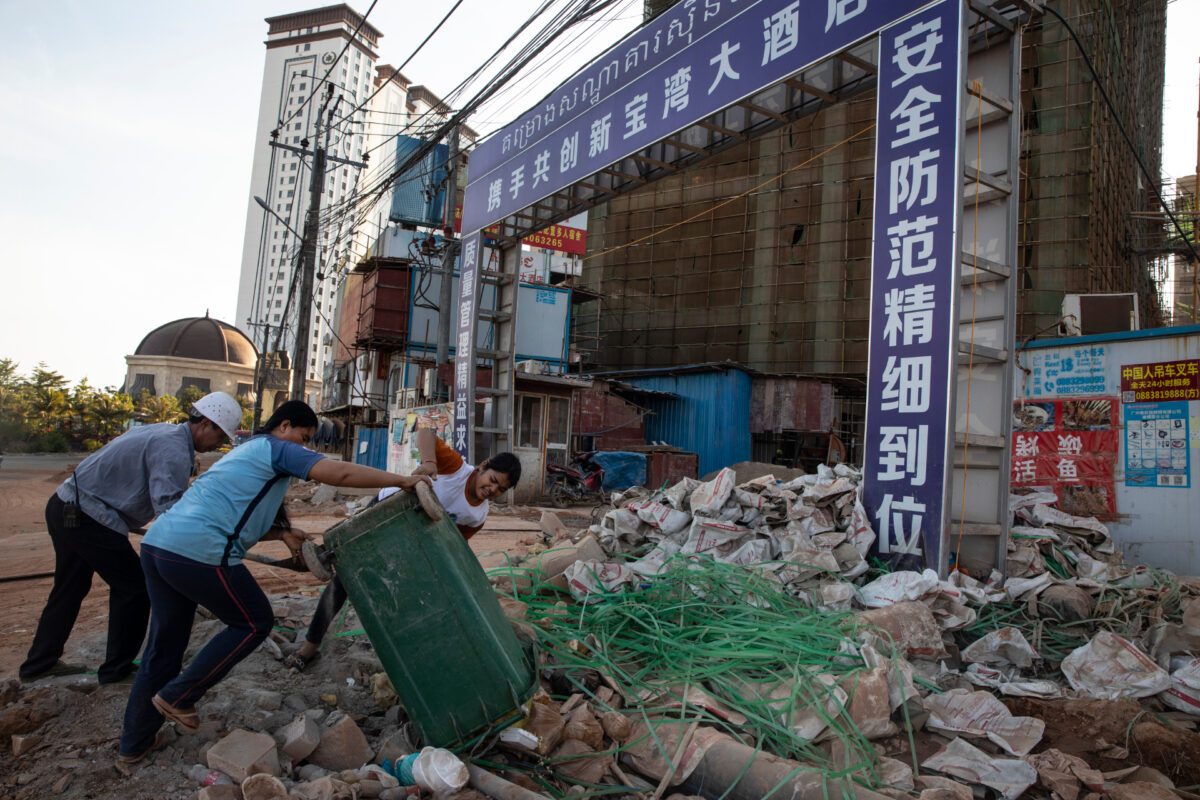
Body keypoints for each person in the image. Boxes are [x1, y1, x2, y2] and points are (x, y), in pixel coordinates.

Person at [117, 401, 430, 764]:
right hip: (198, 551)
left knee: (163, 648)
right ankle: (180, 696)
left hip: (159, 547)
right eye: (304, 436)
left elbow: (233, 513)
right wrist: (402, 479)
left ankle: (133, 744)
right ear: (284, 426)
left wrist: (282, 533)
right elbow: (339, 475)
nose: (306, 445)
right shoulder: (277, 448)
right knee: (254, 621)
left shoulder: (245, 453)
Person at [19, 392, 243, 685]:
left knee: (70, 587)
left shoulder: (165, 433)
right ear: (206, 423)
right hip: (88, 514)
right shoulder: (173, 448)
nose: (219, 444)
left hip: (67, 504)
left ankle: (39, 664)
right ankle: (117, 670)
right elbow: (168, 508)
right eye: (220, 436)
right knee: (135, 588)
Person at [283, 428, 521, 671]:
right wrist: (430, 463)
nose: (492, 490)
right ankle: (309, 647)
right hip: (385, 511)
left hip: (409, 539)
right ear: (483, 466)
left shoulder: (477, 515)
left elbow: (455, 544)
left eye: (501, 489)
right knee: (343, 579)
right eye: (492, 480)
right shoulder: (456, 468)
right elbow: (426, 433)